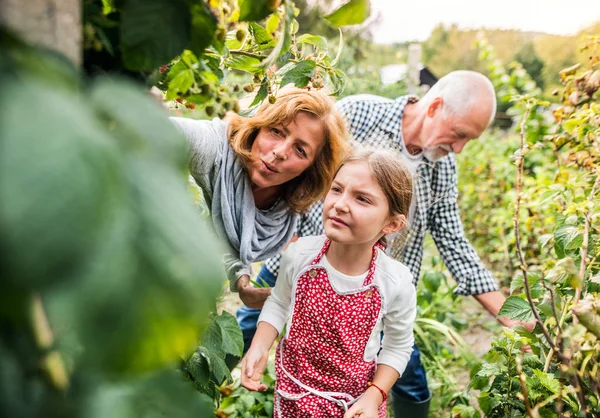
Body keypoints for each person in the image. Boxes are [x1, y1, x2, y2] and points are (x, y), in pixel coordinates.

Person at [238, 70, 523, 417]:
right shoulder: (358, 114)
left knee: (409, 382)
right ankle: (197, 387)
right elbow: (301, 169)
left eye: (468, 142)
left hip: (375, 296)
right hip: (301, 262)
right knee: (244, 332)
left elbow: (452, 239)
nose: (459, 148)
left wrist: (507, 313)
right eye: (460, 134)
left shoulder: (442, 168)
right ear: (435, 107)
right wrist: (291, 239)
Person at [240, 148, 417, 418]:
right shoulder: (300, 256)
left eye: (362, 199)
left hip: (353, 405)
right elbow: (279, 302)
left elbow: (397, 346)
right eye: (337, 189)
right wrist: (260, 345)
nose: (341, 204)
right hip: (294, 394)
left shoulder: (394, 281)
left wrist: (374, 396)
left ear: (391, 223)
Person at [170, 88, 349, 307]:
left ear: (312, 167)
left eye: (300, 150)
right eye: (276, 131)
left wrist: (243, 284)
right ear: (258, 126)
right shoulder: (216, 148)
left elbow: (232, 224)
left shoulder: (283, 205)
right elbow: (171, 132)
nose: (281, 152)